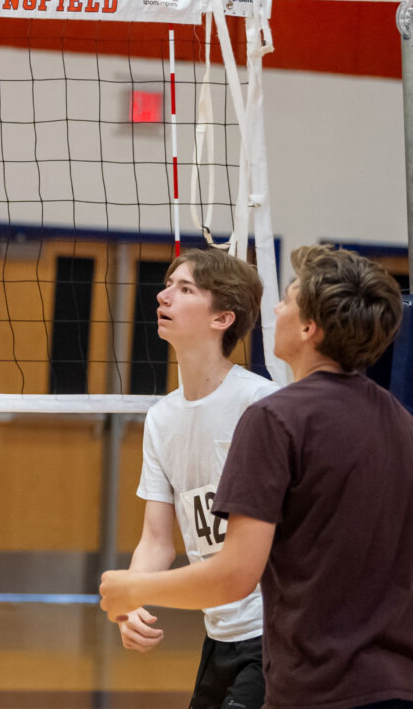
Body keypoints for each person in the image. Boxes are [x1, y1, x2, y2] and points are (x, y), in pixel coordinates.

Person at [100, 246, 413, 709]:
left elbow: (236, 575)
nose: (275, 310)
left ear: (308, 328)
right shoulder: (397, 418)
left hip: (298, 661)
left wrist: (132, 588)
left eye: (286, 300)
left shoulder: (271, 411)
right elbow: (160, 539)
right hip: (371, 670)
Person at [116, 249, 274, 709]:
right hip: (218, 632)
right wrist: (130, 598)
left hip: (275, 631)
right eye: (168, 284)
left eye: (185, 289)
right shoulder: (161, 419)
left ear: (222, 317)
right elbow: (157, 540)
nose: (164, 295)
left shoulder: (261, 404)